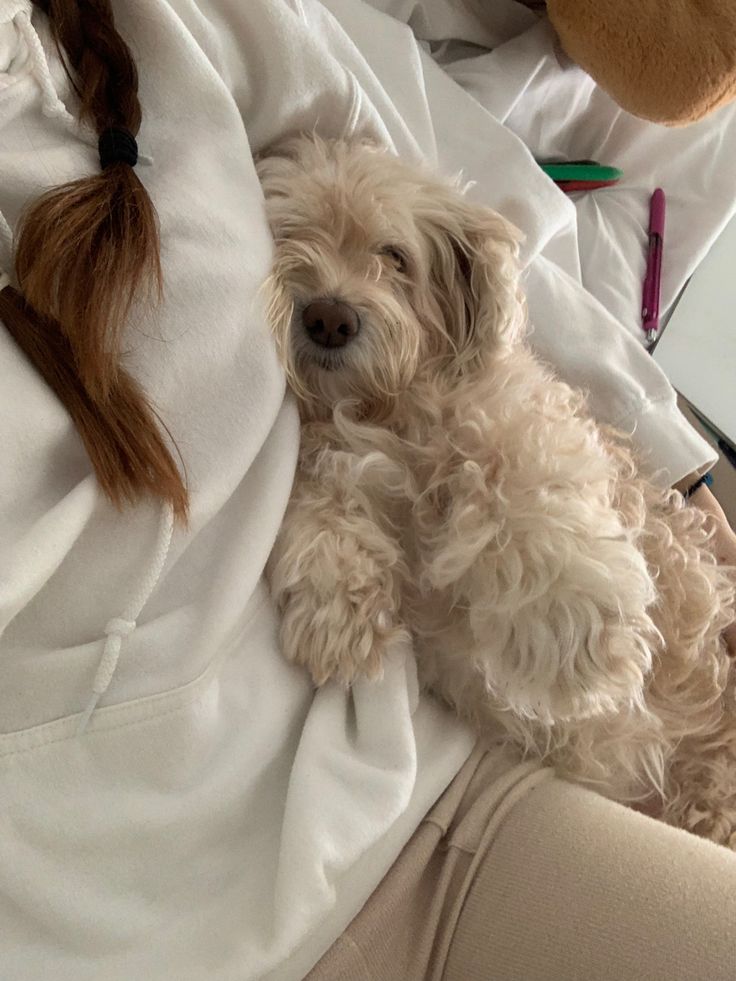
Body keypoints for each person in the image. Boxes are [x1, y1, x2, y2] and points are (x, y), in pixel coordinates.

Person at [0, 1, 734, 979]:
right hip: (129, 909)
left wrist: (669, 451)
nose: (339, 295)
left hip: (427, 790)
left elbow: (479, 212)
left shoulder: (185, 27)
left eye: (382, 264)